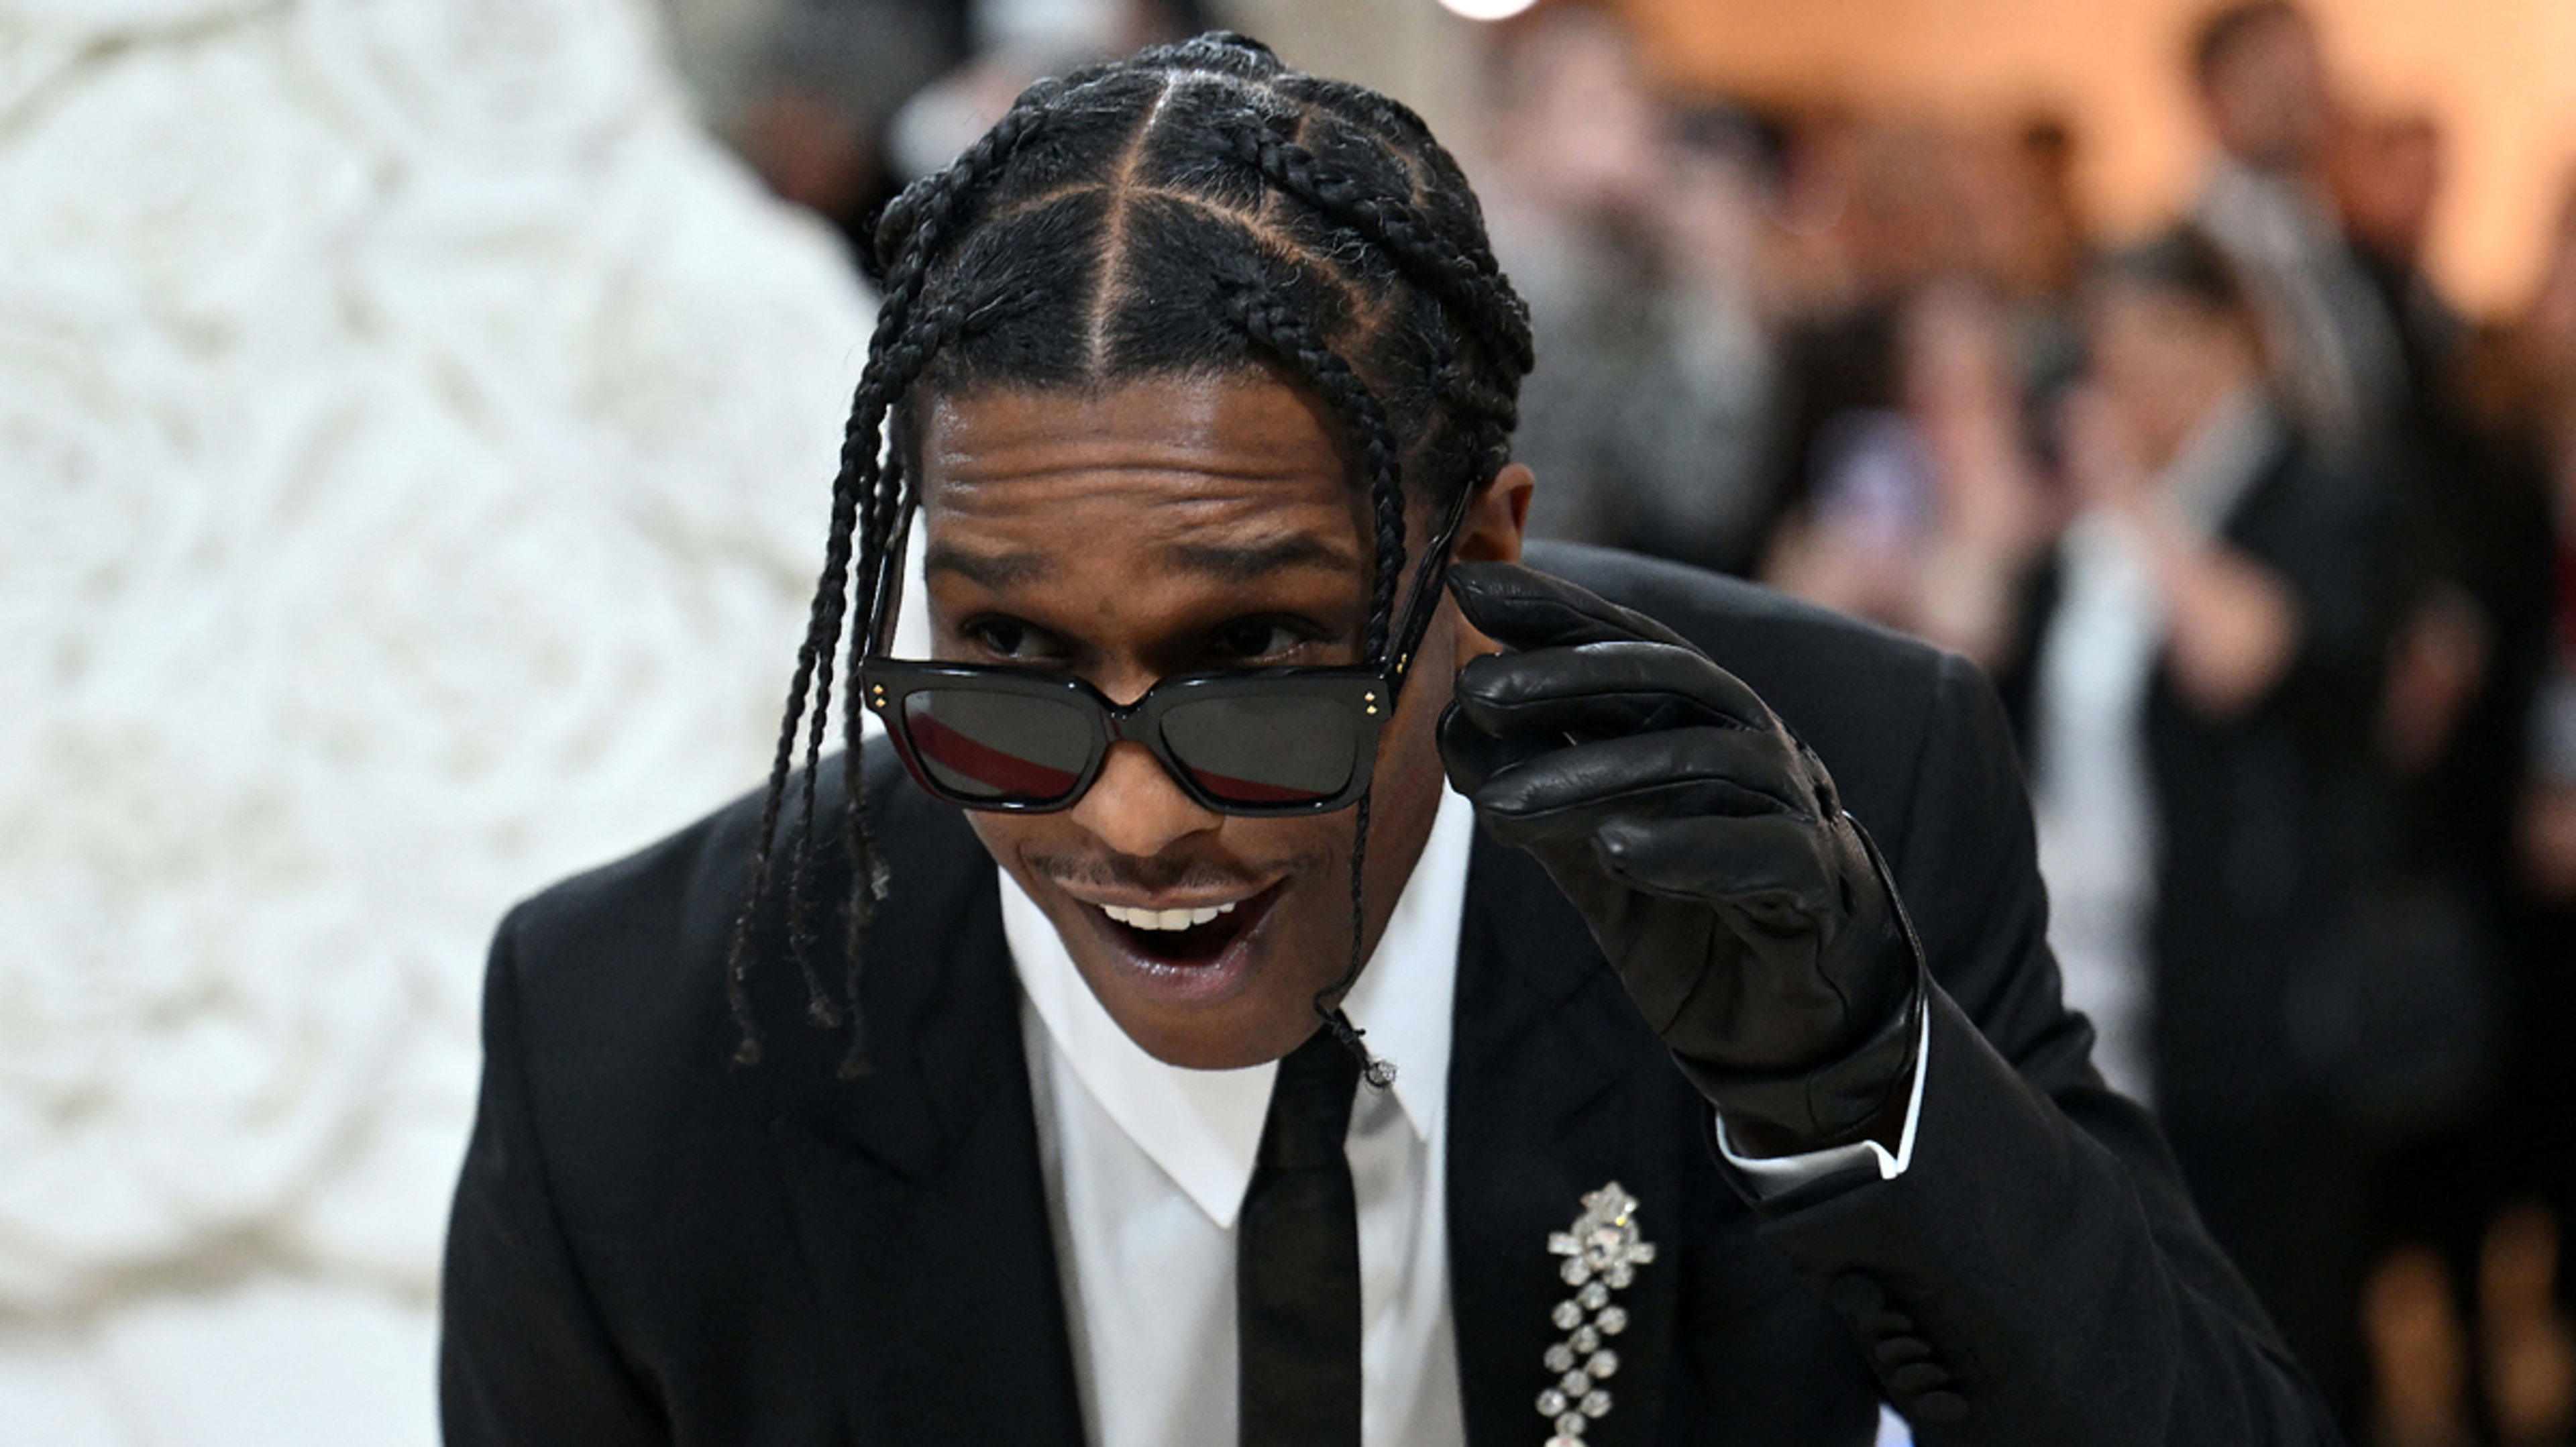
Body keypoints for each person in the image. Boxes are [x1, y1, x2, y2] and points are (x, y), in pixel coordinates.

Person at [439, 36, 2337, 1446]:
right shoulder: (637, 1033)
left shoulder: (1834, 785)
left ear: (1480, 555)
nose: (1130, 808)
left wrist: (1859, 1084)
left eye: (1254, 654)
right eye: (1005, 656)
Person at [1996, 229, 2398, 1425]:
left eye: (2150, 345)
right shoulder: (2104, 520)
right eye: (2108, 351)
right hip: (2100, 963)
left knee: (2272, 1315)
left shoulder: (2309, 492)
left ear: (2227, 340)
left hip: (2260, 978)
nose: (2125, 379)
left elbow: (2240, 657)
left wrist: (2128, 503)